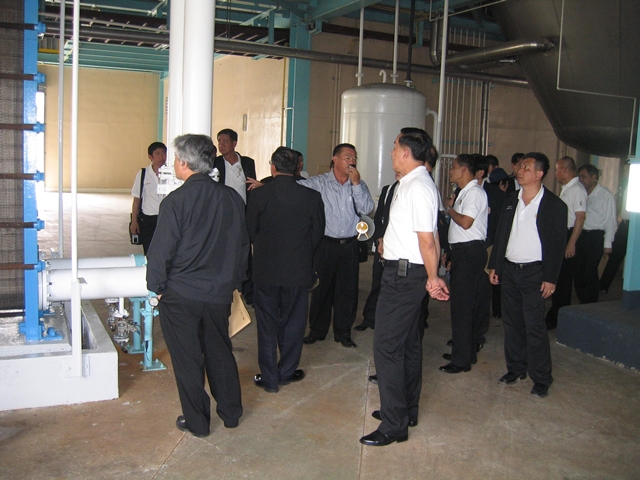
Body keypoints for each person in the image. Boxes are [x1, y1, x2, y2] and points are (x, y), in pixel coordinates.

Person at [146, 134, 248, 438]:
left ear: (184, 163)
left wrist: (157, 287)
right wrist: (235, 283)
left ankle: (198, 422)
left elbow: (160, 251)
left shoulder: (175, 201)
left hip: (180, 294)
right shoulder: (231, 198)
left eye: (176, 158)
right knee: (220, 351)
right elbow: (242, 246)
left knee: (187, 359)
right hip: (218, 294)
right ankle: (231, 414)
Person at [360, 128, 449, 447]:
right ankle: (406, 410)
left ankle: (394, 424)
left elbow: (429, 239)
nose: (391, 152)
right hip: (404, 271)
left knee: (386, 346)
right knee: (408, 345)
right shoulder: (410, 183)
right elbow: (423, 233)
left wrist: (433, 278)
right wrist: (390, 242)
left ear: (407, 153)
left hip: (404, 277)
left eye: (395, 146)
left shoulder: (419, 187)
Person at [246, 147, 325, 393]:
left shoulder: (259, 195)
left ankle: (269, 378)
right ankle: (287, 371)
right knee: (294, 322)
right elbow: (317, 234)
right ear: (297, 167)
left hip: (266, 270)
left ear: (273, 167)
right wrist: (300, 254)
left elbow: (250, 231)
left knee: (266, 324)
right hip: (297, 270)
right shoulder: (311, 197)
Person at [489, 152, 567, 399]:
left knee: (534, 327)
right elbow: (501, 234)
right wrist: (495, 266)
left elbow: (557, 245)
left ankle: (541, 377)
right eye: (520, 166)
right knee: (511, 323)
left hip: (535, 273)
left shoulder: (554, 205)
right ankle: (516, 368)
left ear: (539, 174)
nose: (520, 171)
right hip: (509, 270)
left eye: (526, 167)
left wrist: (550, 278)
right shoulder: (511, 199)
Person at [299, 143, 374, 348]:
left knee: (347, 291)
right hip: (326, 244)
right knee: (321, 289)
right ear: (335, 159)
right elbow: (295, 188)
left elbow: (367, 209)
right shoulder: (319, 183)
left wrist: (356, 185)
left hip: (350, 245)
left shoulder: (358, 184)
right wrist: (269, 185)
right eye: (347, 157)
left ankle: (343, 332)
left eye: (354, 158)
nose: (352, 161)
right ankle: (317, 330)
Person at [440, 154, 489, 374]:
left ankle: (461, 361)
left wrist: (449, 208)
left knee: (462, 307)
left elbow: (466, 223)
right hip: (462, 252)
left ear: (464, 170)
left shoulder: (474, 192)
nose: (450, 171)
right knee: (462, 306)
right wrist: (450, 253)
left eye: (454, 167)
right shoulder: (464, 192)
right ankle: (465, 352)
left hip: (470, 253)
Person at [545, 156, 587, 330]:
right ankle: (556, 313)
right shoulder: (567, 188)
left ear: (564, 170)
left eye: (557, 169)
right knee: (559, 277)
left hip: (570, 234)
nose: (555, 173)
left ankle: (557, 316)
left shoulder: (577, 189)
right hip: (563, 234)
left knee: (563, 280)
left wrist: (571, 243)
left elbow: (580, 217)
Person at [575, 164, 617, 303]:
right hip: (581, 234)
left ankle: (590, 301)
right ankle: (582, 299)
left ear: (594, 177)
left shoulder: (605, 195)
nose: (581, 180)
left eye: (584, 177)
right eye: (580, 177)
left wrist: (608, 243)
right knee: (579, 270)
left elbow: (610, 221)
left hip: (596, 236)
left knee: (590, 271)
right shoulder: (580, 192)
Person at [129, 142, 167, 255]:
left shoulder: (172, 174)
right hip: (148, 219)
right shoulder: (143, 174)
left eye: (163, 153)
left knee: (165, 250)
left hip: (166, 218)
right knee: (149, 251)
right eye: (157, 154)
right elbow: (137, 199)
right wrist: (134, 221)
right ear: (150, 157)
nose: (161, 157)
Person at [600, 164, 630, 293]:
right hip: (624, 222)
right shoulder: (624, 184)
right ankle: (603, 285)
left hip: (632, 223)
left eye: (627, 170)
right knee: (616, 254)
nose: (625, 172)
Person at [214, 128, 257, 203]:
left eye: (225, 141)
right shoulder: (215, 163)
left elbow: (252, 186)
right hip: (222, 206)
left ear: (234, 143)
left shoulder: (247, 163)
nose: (221, 145)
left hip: (242, 206)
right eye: (219, 141)